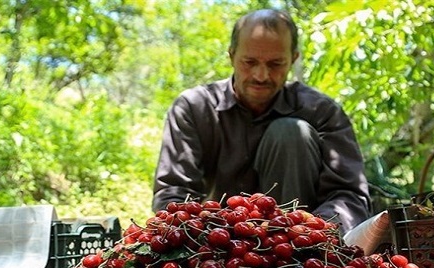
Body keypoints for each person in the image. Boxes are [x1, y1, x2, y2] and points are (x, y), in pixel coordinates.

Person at [152, 8, 371, 232]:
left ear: (293, 59)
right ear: (231, 55)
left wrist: (316, 231)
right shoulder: (194, 108)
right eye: (249, 62)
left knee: (291, 132)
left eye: (276, 64)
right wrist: (203, 235)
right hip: (215, 244)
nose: (261, 76)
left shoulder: (321, 112)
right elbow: (174, 192)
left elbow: (349, 195)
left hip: (301, 249)